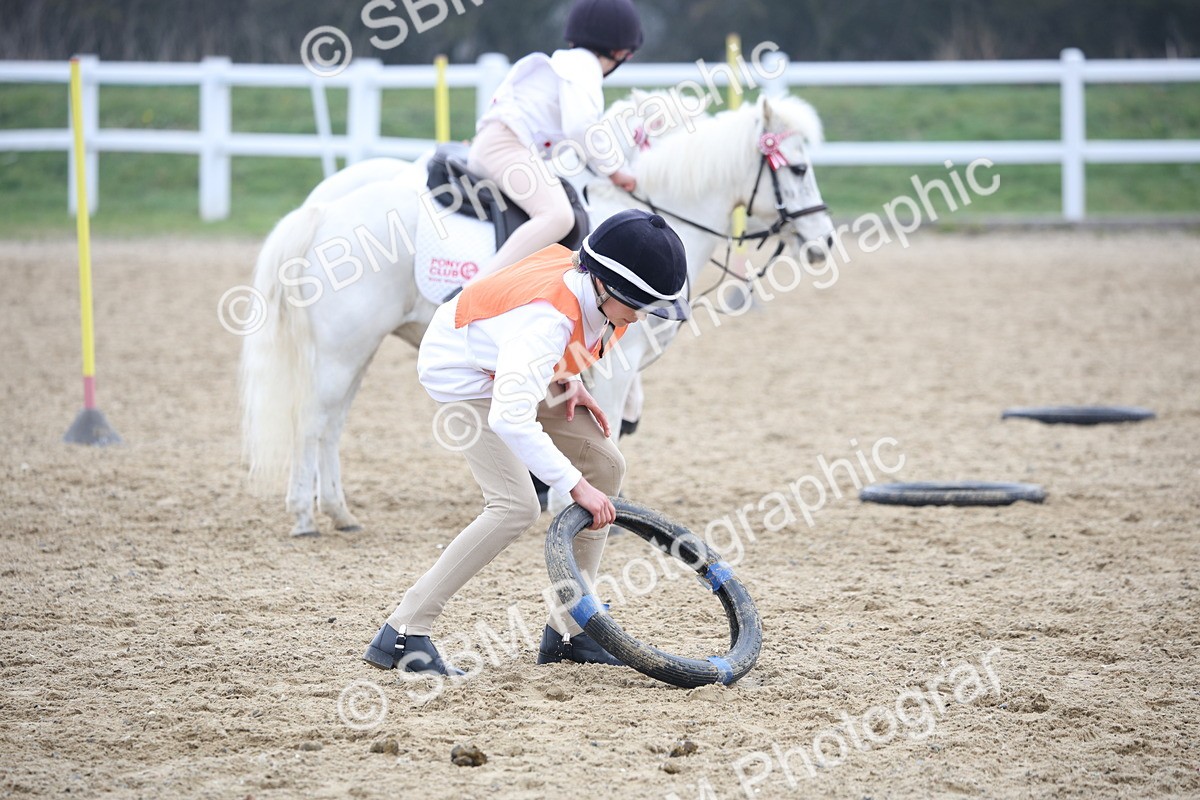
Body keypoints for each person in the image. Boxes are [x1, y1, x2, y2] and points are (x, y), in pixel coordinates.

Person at [363, 209, 690, 675]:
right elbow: (510, 417)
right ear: (605, 287)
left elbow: (554, 350)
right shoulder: (546, 322)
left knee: (607, 465)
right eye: (637, 305)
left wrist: (567, 377)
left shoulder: (590, 295)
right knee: (515, 506)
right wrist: (575, 486)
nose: (639, 319)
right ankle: (402, 631)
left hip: (509, 365)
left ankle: (573, 629)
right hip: (465, 379)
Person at [465, 0, 643, 281]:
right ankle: (474, 290)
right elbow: (581, 127)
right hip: (505, 147)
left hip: (499, 144)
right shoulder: (584, 69)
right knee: (558, 216)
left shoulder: (564, 63)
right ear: (621, 52)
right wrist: (616, 169)